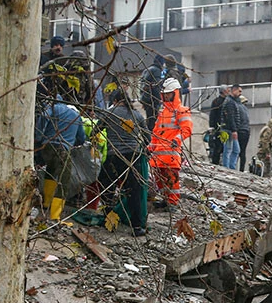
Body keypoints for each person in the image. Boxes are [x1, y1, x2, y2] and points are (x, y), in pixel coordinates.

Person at [98, 88, 149, 235]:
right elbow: (147, 138)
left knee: (107, 188)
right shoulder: (137, 115)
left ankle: (109, 220)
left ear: (114, 101)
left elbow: (97, 130)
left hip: (113, 156)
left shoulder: (109, 113)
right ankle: (137, 227)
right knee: (134, 192)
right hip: (132, 157)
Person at [35, 90, 86, 220]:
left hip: (47, 147)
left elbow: (42, 123)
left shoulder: (50, 109)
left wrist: (39, 139)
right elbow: (81, 138)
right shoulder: (75, 114)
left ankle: (46, 204)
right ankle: (55, 216)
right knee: (64, 181)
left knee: (50, 172)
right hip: (63, 149)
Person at [148, 77, 192, 208]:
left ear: (175, 93)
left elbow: (187, 129)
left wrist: (177, 139)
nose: (166, 96)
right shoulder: (162, 112)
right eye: (165, 94)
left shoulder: (182, 110)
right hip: (158, 154)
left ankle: (172, 202)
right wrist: (151, 146)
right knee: (159, 178)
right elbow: (156, 131)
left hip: (171, 153)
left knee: (172, 179)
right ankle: (166, 200)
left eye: (169, 93)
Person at [220, 84, 242, 170]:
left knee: (235, 150)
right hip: (228, 130)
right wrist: (234, 130)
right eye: (239, 91)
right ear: (234, 90)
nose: (240, 93)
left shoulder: (232, 101)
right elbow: (230, 117)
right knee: (228, 149)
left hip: (229, 129)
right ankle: (227, 167)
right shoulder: (230, 102)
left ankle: (231, 167)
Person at [208, 85, 229, 165]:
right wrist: (212, 126)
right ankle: (215, 163)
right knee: (217, 146)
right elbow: (212, 114)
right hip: (218, 127)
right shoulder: (216, 102)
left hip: (225, 127)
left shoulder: (228, 101)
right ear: (224, 91)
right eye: (227, 90)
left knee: (225, 147)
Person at [236, 94, 251, 172]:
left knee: (236, 150)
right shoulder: (246, 110)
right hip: (246, 131)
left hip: (240, 131)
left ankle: (234, 167)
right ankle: (241, 169)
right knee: (243, 151)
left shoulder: (238, 108)